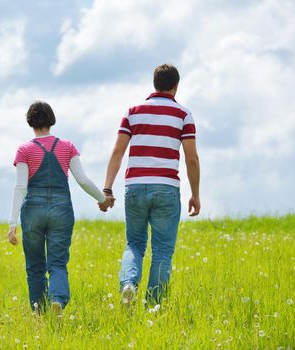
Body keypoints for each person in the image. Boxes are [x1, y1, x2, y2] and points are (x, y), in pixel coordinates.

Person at [100, 63, 201, 305]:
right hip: (166, 187)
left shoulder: (133, 112)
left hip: (134, 186)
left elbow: (117, 151)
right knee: (163, 250)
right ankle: (154, 305)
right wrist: (195, 194)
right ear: (176, 86)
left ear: (154, 84)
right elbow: (191, 158)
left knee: (134, 244)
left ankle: (128, 285)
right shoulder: (183, 115)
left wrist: (107, 188)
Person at [8, 101, 114, 315]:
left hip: (33, 212)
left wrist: (12, 223)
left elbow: (20, 186)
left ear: (30, 122)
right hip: (61, 209)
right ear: (51, 120)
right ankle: (57, 299)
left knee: (35, 266)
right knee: (57, 263)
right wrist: (102, 198)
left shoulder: (24, 150)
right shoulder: (67, 146)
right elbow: (82, 180)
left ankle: (39, 312)